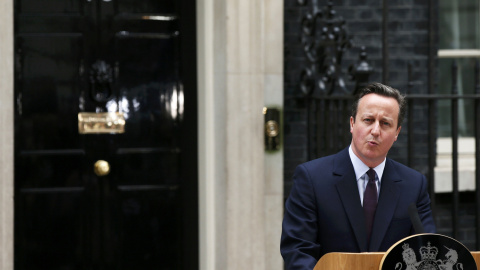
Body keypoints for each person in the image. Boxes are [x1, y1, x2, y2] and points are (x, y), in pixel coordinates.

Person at [280, 82, 436, 270]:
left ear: (397, 133)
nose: (376, 131)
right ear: (352, 124)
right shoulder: (312, 178)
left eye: (385, 123)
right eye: (368, 120)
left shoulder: (414, 185)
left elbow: (425, 249)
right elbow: (298, 250)